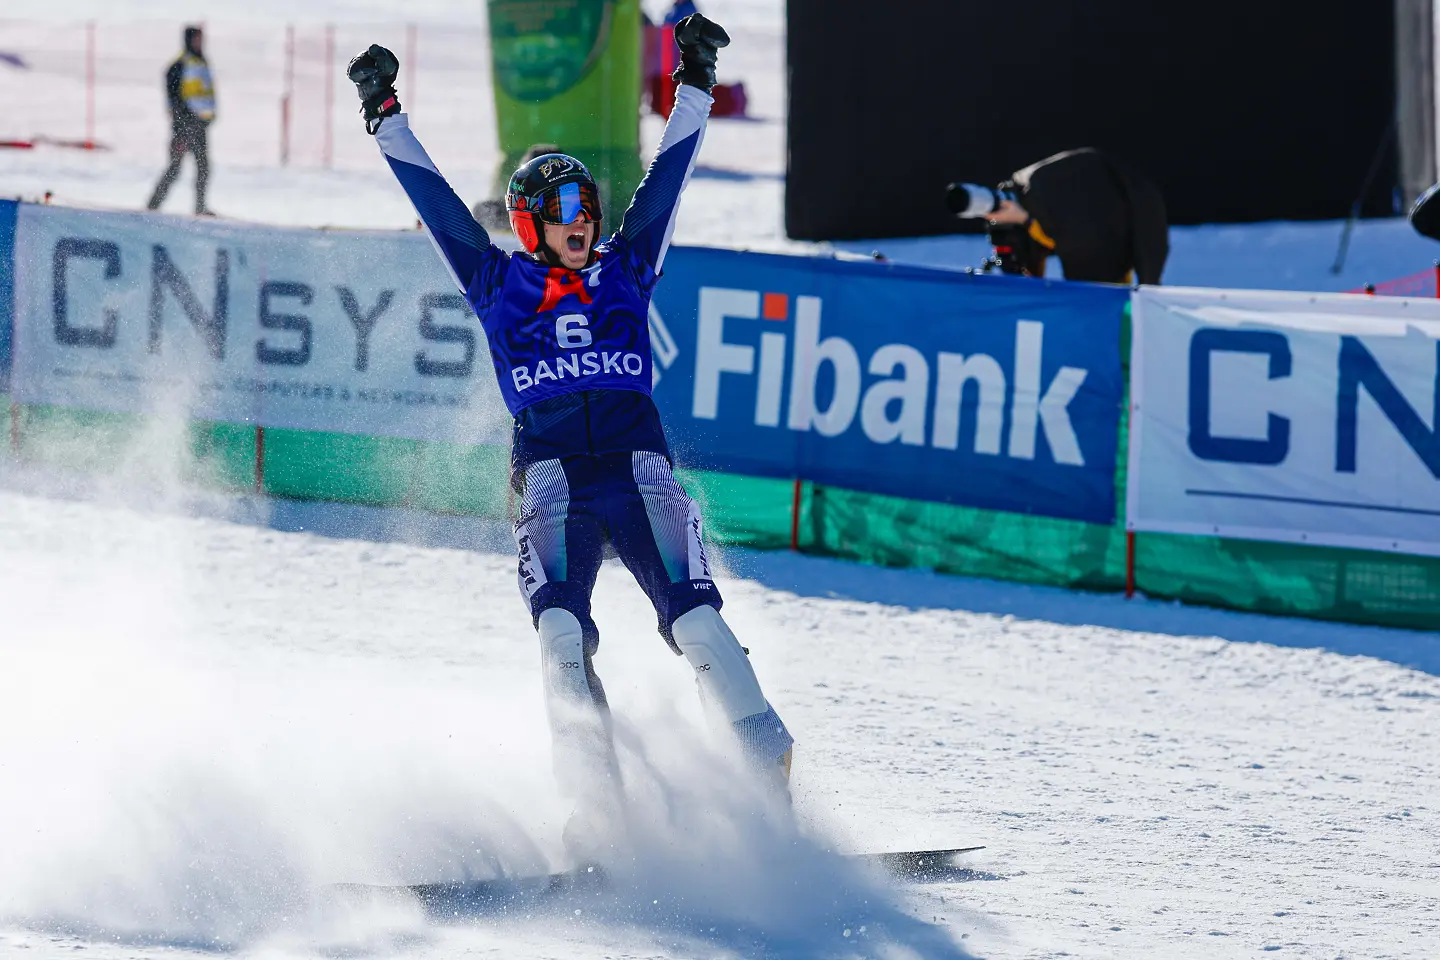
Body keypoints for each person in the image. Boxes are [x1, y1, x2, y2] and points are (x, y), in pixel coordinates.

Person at [347, 13, 793, 854]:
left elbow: (668, 177)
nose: (580, 217)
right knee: (559, 636)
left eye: (585, 203)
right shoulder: (496, 284)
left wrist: (693, 82)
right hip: (551, 479)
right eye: (560, 208)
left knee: (696, 624)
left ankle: (766, 779)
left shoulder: (627, 268)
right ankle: (598, 814)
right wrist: (386, 114)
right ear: (528, 223)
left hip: (638, 471)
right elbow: (436, 201)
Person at [946, 148, 1168, 285]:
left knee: (1100, 302)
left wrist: (1026, 220)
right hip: (1108, 196)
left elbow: (1072, 242)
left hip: (1107, 214)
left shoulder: (1063, 210)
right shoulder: (1032, 188)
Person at [147, 26, 215, 216]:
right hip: (184, 126)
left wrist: (209, 115)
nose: (199, 42)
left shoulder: (201, 62)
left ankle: (200, 207)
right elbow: (174, 95)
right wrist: (181, 120)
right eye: (196, 39)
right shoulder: (181, 64)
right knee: (175, 168)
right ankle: (152, 206)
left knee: (203, 167)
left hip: (199, 125)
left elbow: (205, 93)